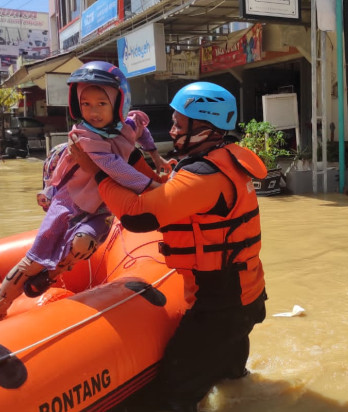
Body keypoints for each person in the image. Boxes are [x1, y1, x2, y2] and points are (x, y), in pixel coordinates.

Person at [72, 82, 268, 412]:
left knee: (172, 396)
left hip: (220, 303)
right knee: (232, 379)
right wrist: (124, 151)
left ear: (203, 126)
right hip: (244, 291)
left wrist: (96, 172)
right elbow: (160, 186)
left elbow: (137, 216)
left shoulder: (203, 176)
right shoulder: (221, 159)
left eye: (178, 123)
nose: (172, 129)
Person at [0, 61, 162, 326]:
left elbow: (142, 129)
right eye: (86, 104)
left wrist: (156, 157)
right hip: (69, 203)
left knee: (83, 244)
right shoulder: (85, 136)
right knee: (34, 259)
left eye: (102, 104)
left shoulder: (127, 125)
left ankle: (54, 273)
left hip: (100, 206)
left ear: (118, 102)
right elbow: (116, 169)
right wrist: (155, 189)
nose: (93, 112)